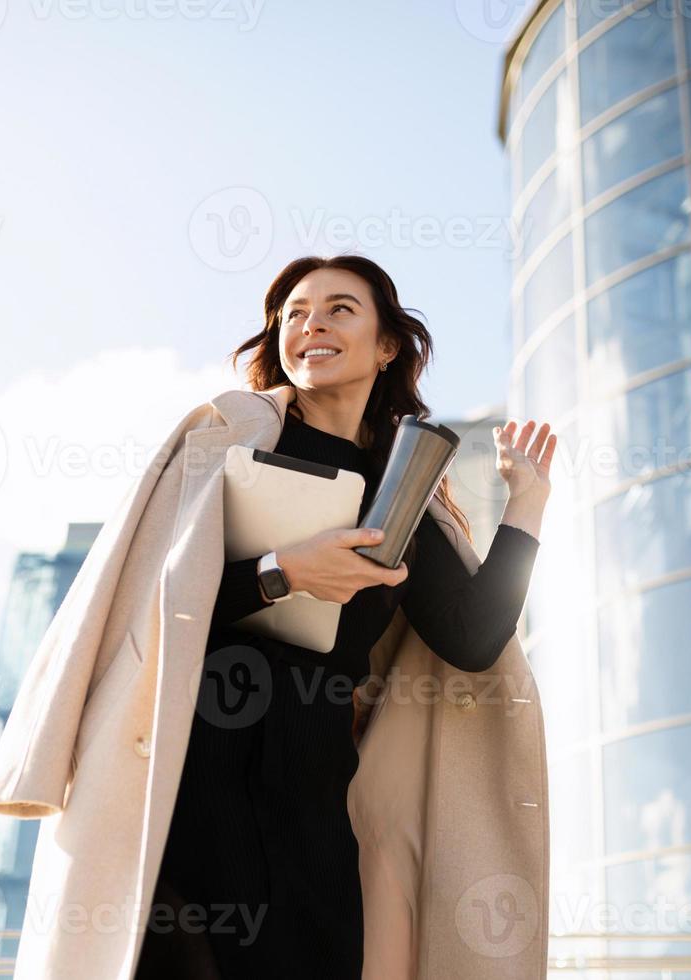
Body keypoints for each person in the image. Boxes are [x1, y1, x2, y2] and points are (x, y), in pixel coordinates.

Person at [133, 254, 558, 979]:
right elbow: (152, 605)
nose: (311, 325)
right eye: (294, 313)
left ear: (386, 345)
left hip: (314, 797)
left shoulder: (402, 495)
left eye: (338, 309)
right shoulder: (229, 442)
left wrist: (528, 502)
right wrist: (281, 573)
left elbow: (473, 639)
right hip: (197, 775)